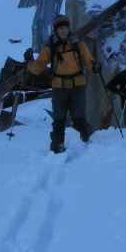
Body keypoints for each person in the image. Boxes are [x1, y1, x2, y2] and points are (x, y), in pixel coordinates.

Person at [26, 14, 100, 153]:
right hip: (59, 87)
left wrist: (95, 68)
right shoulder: (50, 48)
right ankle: (57, 146)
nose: (64, 30)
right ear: (56, 30)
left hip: (78, 86)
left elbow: (89, 60)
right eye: (60, 28)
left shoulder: (78, 43)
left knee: (78, 119)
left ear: (69, 28)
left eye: (66, 27)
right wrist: (29, 61)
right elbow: (37, 68)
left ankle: (89, 137)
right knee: (58, 121)